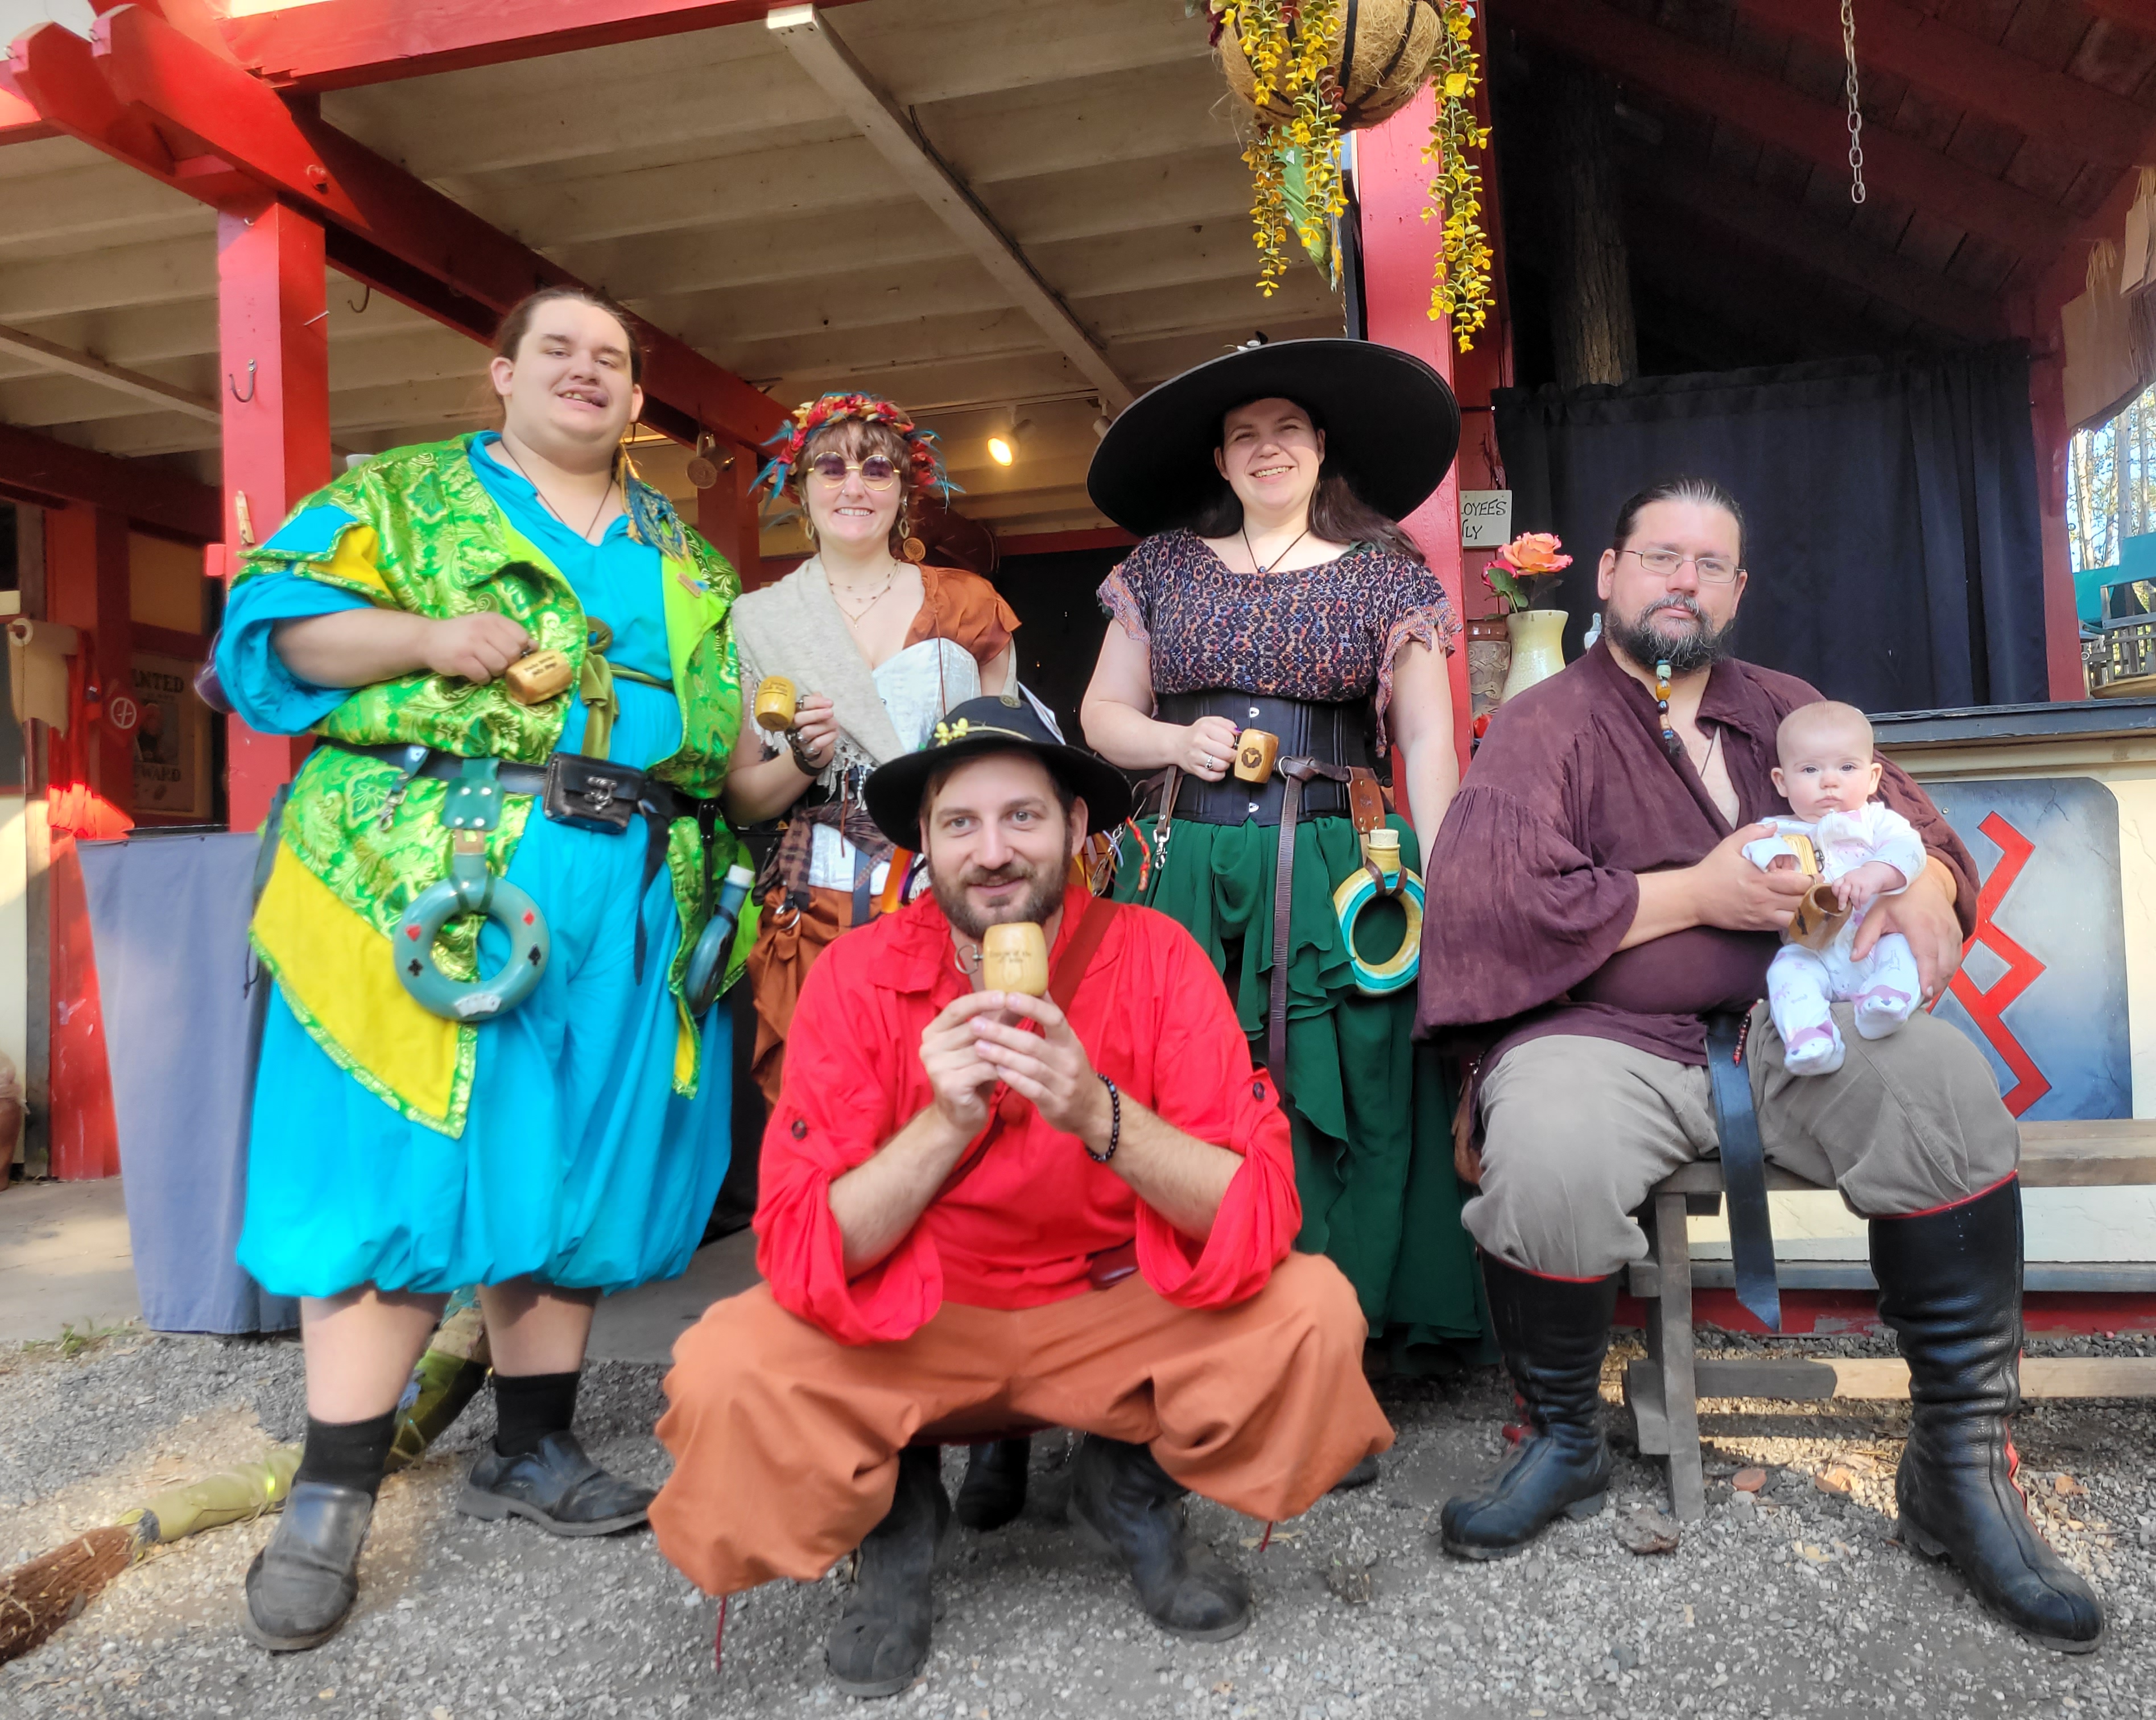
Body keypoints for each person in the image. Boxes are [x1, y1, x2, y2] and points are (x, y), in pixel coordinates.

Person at [1418, 476, 2105, 1652]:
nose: (1683, 581)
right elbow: (1485, 905)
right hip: (1603, 1036)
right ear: (1609, 575)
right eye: (1661, 557)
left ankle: (1959, 1468)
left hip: (1796, 1030)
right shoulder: (1542, 724)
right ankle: (1562, 1439)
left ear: (1736, 590)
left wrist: (1935, 885)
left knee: (1944, 1092)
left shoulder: (1787, 710)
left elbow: (1912, 825)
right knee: (1548, 1152)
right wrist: (1697, 893)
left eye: (1710, 564)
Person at [649, 696, 1390, 1697]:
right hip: (919, 1317)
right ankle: (898, 1523)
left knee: (1310, 1315)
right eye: (960, 822)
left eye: (1024, 818)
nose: (992, 852)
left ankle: (1125, 1486)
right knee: (728, 1364)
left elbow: (1256, 1207)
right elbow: (802, 1247)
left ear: (1077, 829)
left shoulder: (1158, 958)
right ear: (924, 840)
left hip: (1106, 1304)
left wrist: (1098, 1112)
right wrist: (942, 1123)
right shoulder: (858, 974)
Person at [216, 288, 746, 1652]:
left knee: (566, 1163)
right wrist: (424, 638)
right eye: (558, 351)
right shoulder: (395, 497)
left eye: (613, 362)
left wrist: (792, 764)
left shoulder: (688, 560)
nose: (587, 373)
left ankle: (531, 1446)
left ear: (638, 403)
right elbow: (276, 640)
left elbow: (723, 763)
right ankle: (334, 1488)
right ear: (502, 374)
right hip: (432, 868)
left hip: (626, 881)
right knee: (400, 1156)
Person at [1077, 337, 1486, 1375]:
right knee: (1173, 1080)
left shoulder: (1389, 572)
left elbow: (1428, 742)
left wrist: (1442, 888)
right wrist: (1175, 740)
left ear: (1319, 447)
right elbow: (1100, 716)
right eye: (1244, 435)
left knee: (1338, 1084)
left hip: (1336, 865)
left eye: (1287, 430)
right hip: (1181, 858)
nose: (1267, 449)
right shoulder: (1159, 566)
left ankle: (1329, 1329)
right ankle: (1176, 1320)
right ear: (1219, 461)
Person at [718, 391, 1027, 1527]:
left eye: (877, 468)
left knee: (985, 1120)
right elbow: (739, 791)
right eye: (833, 468)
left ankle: (1002, 1411)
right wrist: (796, 762)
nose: (855, 484)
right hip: (826, 891)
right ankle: (862, 1416)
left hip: (955, 887)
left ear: (907, 488)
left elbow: (1018, 757)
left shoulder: (966, 603)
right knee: (845, 1141)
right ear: (798, 489)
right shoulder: (758, 623)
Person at [1745, 700, 1930, 1075]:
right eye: (1810, 769)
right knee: (1785, 970)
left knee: (1904, 947)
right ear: (1782, 781)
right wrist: (1773, 861)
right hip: (1815, 949)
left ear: (1874, 777)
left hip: (1874, 939)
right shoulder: (1778, 830)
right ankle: (1811, 1037)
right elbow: (1751, 847)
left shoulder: (1878, 821)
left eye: (1847, 767)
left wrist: (1877, 873)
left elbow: (1910, 850)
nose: (1830, 781)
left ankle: (1888, 1001)